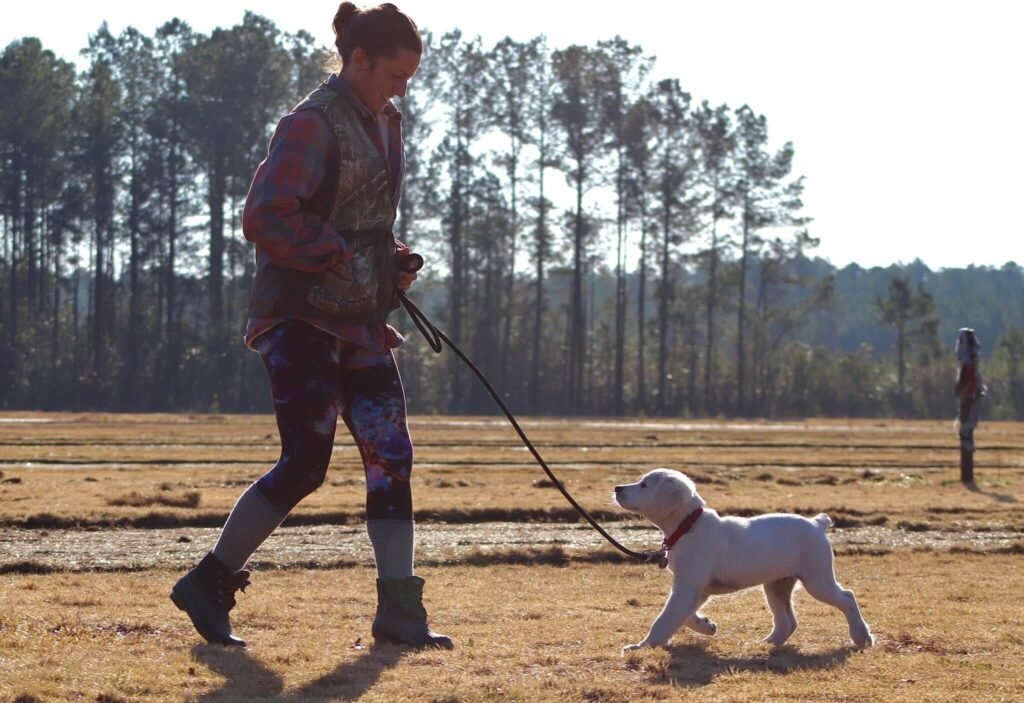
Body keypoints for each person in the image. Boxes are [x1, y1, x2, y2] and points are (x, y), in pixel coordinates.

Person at [170, 2, 452, 650]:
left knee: (392, 455)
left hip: (359, 321)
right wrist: (336, 254)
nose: (401, 88)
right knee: (305, 461)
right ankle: (208, 583)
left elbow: (362, 216)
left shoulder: (387, 122)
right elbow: (266, 216)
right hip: (299, 318)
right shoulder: (308, 124)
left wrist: (392, 257)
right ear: (357, 60)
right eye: (394, 74)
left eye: (408, 77)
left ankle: (399, 611)